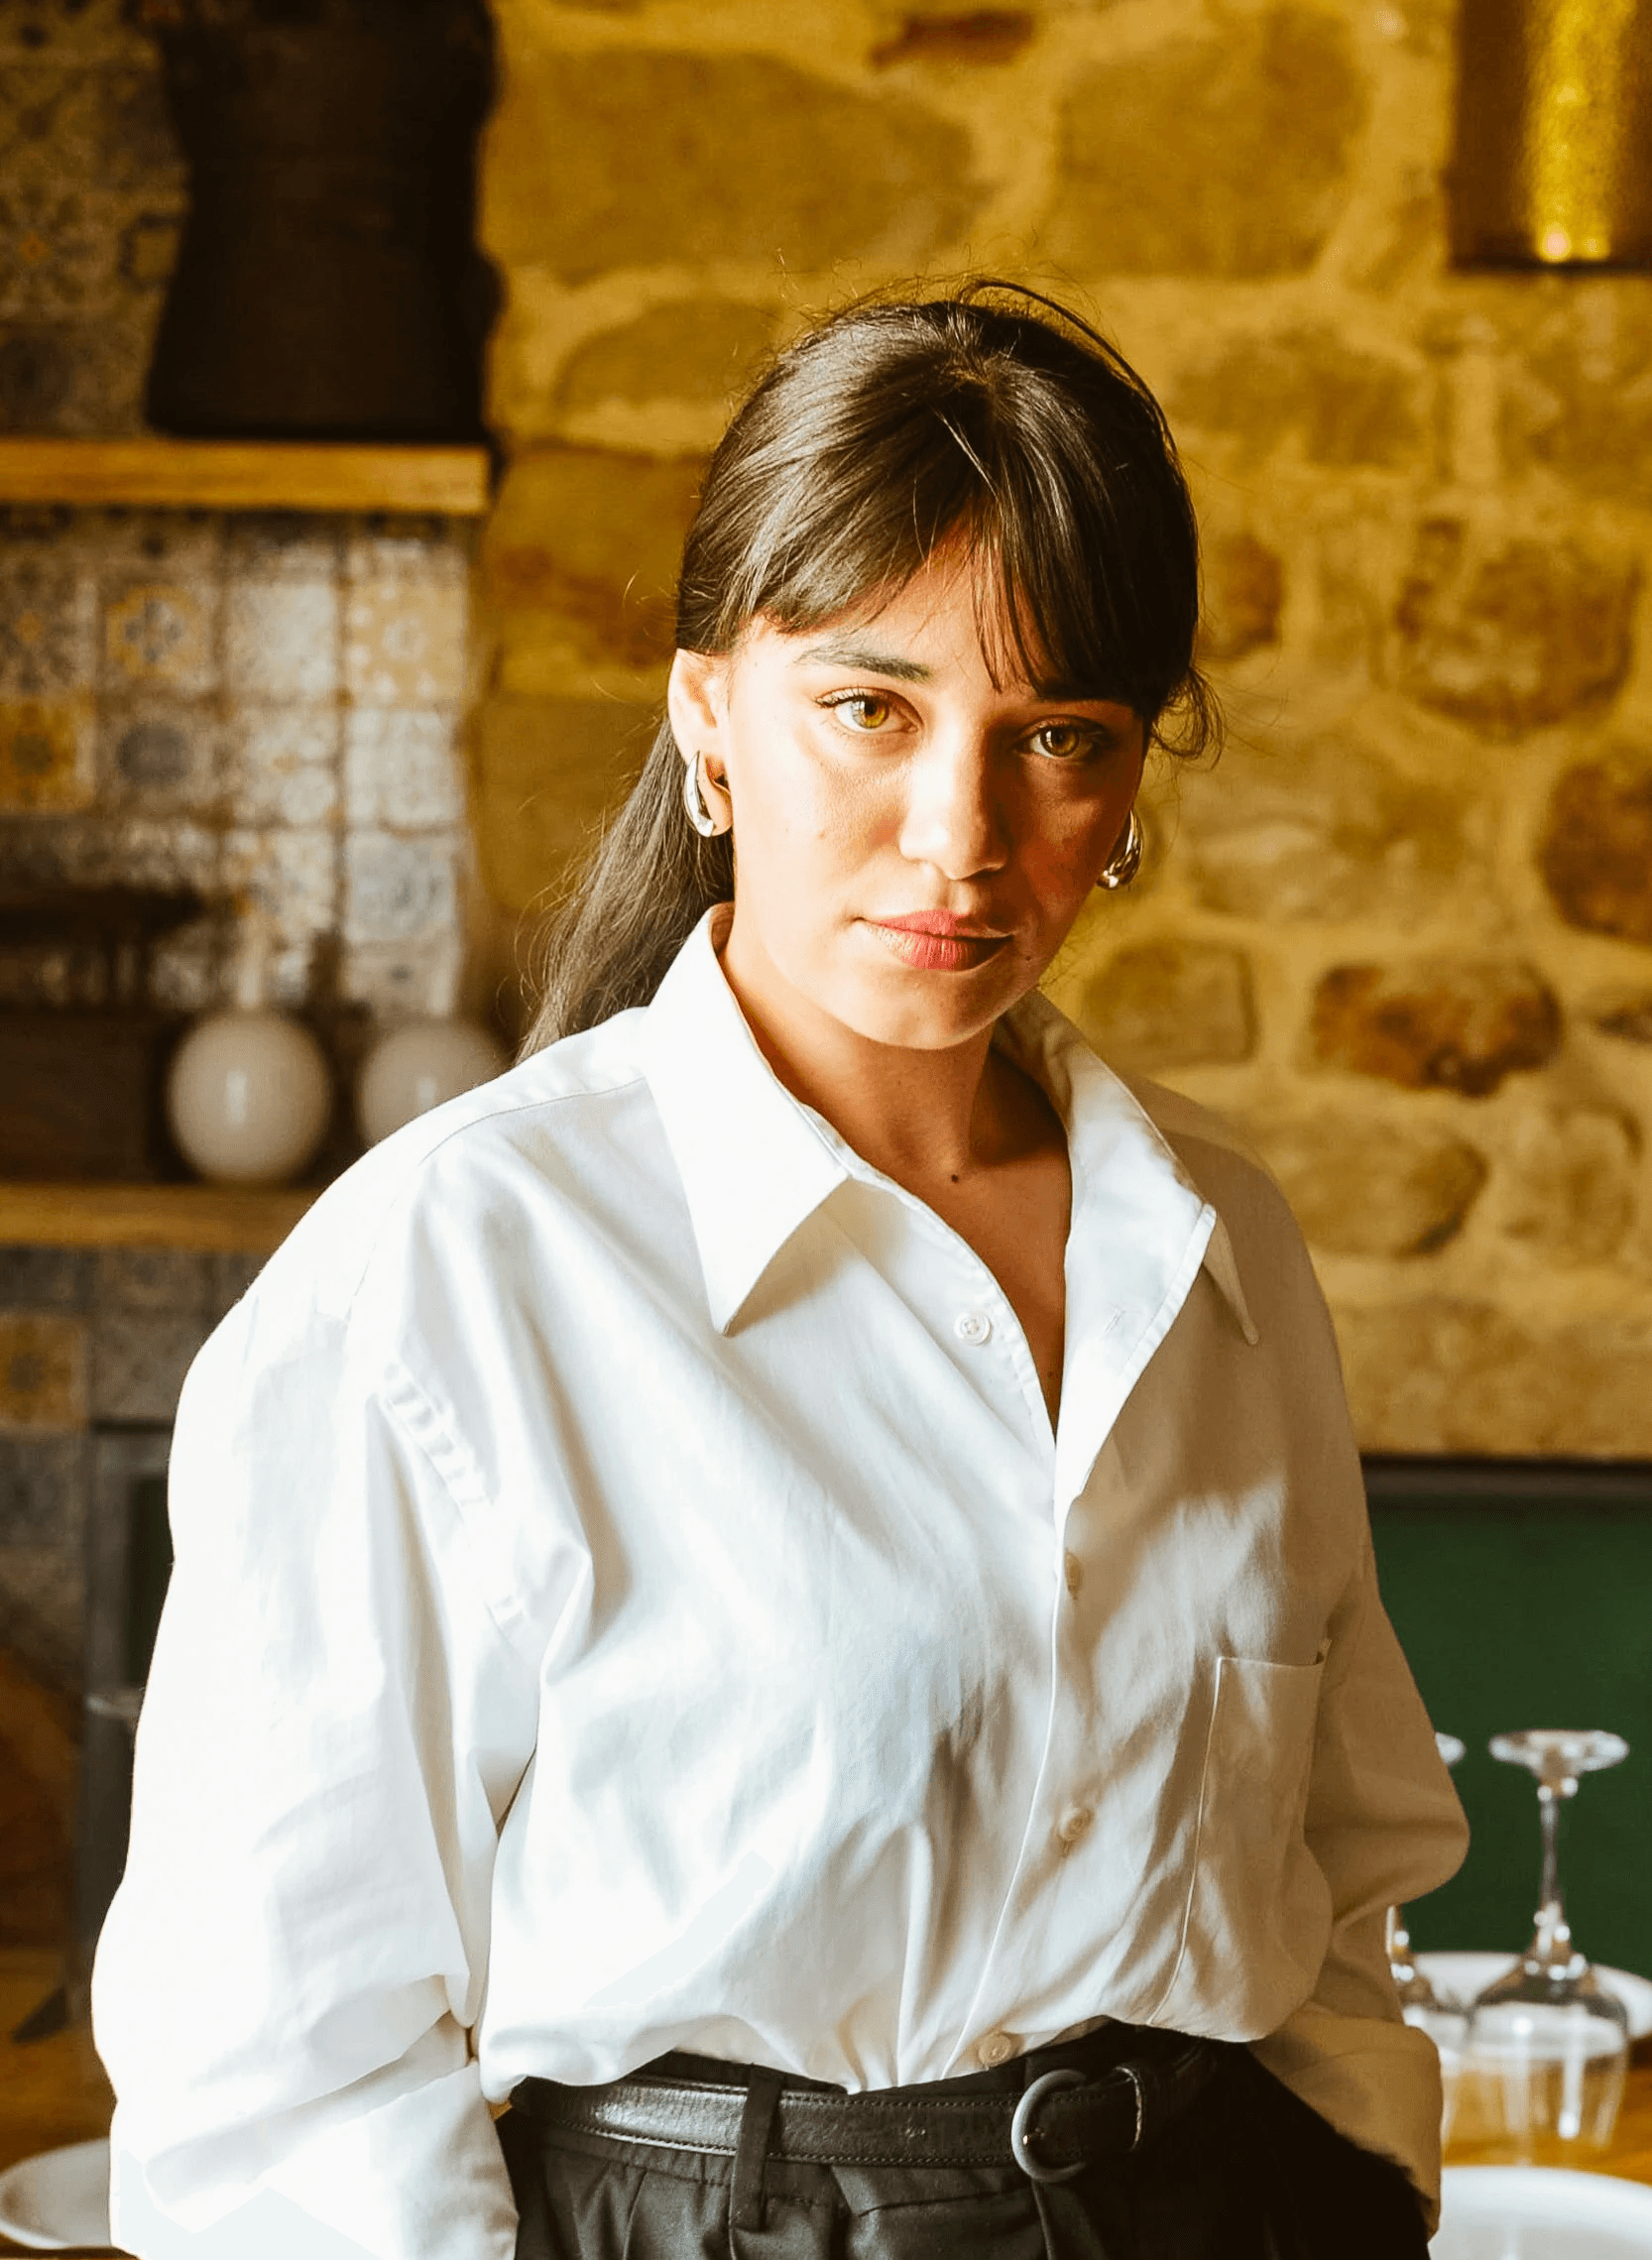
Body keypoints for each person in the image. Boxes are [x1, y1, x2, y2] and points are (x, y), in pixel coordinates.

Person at [93, 285, 1468, 2260]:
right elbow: (282, 2100)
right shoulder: (444, 1286)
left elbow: (1341, 1878)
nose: (961, 836)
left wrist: (1363, 2186)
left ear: (1132, 789)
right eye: (870, 705)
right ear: (706, 718)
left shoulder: (1217, 1247)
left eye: (1056, 737)